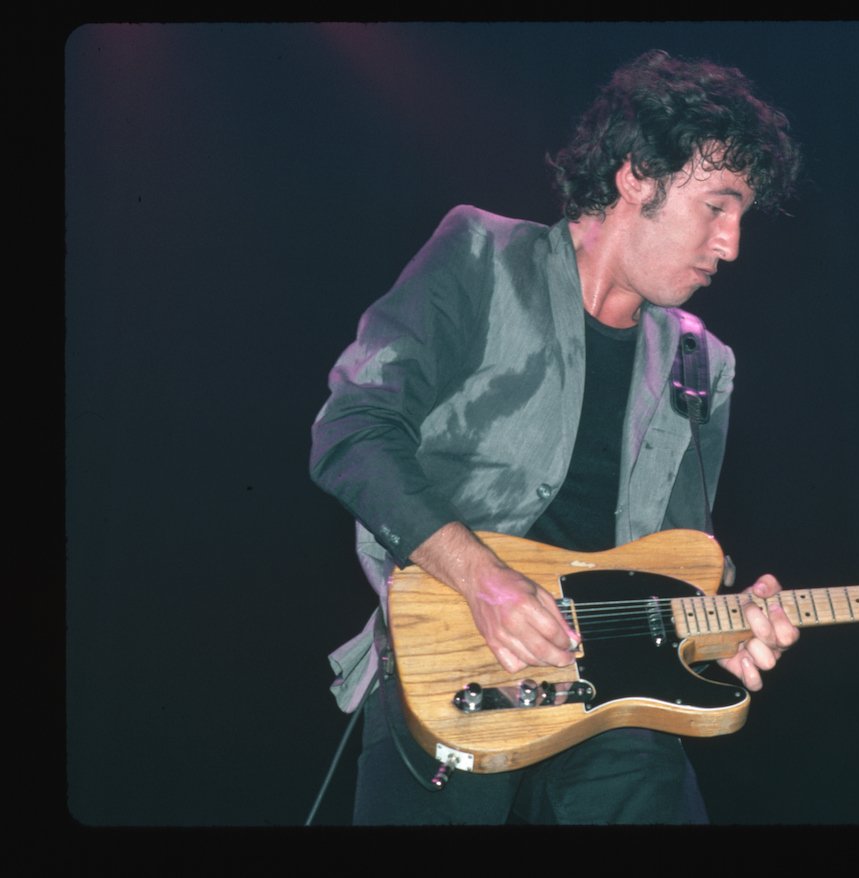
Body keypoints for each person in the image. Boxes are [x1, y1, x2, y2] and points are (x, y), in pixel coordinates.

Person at [310, 49, 802, 824]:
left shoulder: (704, 362)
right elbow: (352, 429)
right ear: (637, 175)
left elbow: (680, 556)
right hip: (458, 665)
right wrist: (481, 577)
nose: (733, 244)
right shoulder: (480, 255)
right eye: (717, 205)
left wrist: (722, 635)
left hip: (623, 708)